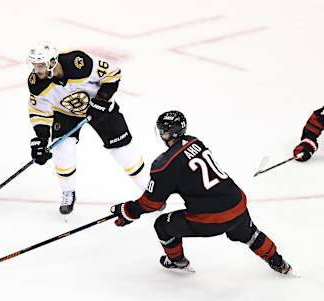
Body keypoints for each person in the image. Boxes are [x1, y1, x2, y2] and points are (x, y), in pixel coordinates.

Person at [111, 110, 293, 275]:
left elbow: (152, 203)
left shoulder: (164, 165)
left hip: (211, 217)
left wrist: (129, 211)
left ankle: (177, 261)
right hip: (235, 202)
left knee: (162, 225)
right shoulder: (194, 141)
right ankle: (279, 263)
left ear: (165, 133)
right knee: (251, 234)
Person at [26, 42, 148, 215]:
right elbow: (38, 111)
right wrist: (41, 139)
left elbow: (113, 74)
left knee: (123, 152)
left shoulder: (78, 62)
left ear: (52, 62)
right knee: (62, 150)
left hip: (99, 108)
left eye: (40, 66)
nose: (36, 70)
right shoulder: (37, 83)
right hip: (65, 114)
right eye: (35, 65)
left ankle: (149, 192)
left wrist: (102, 99)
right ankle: (68, 192)